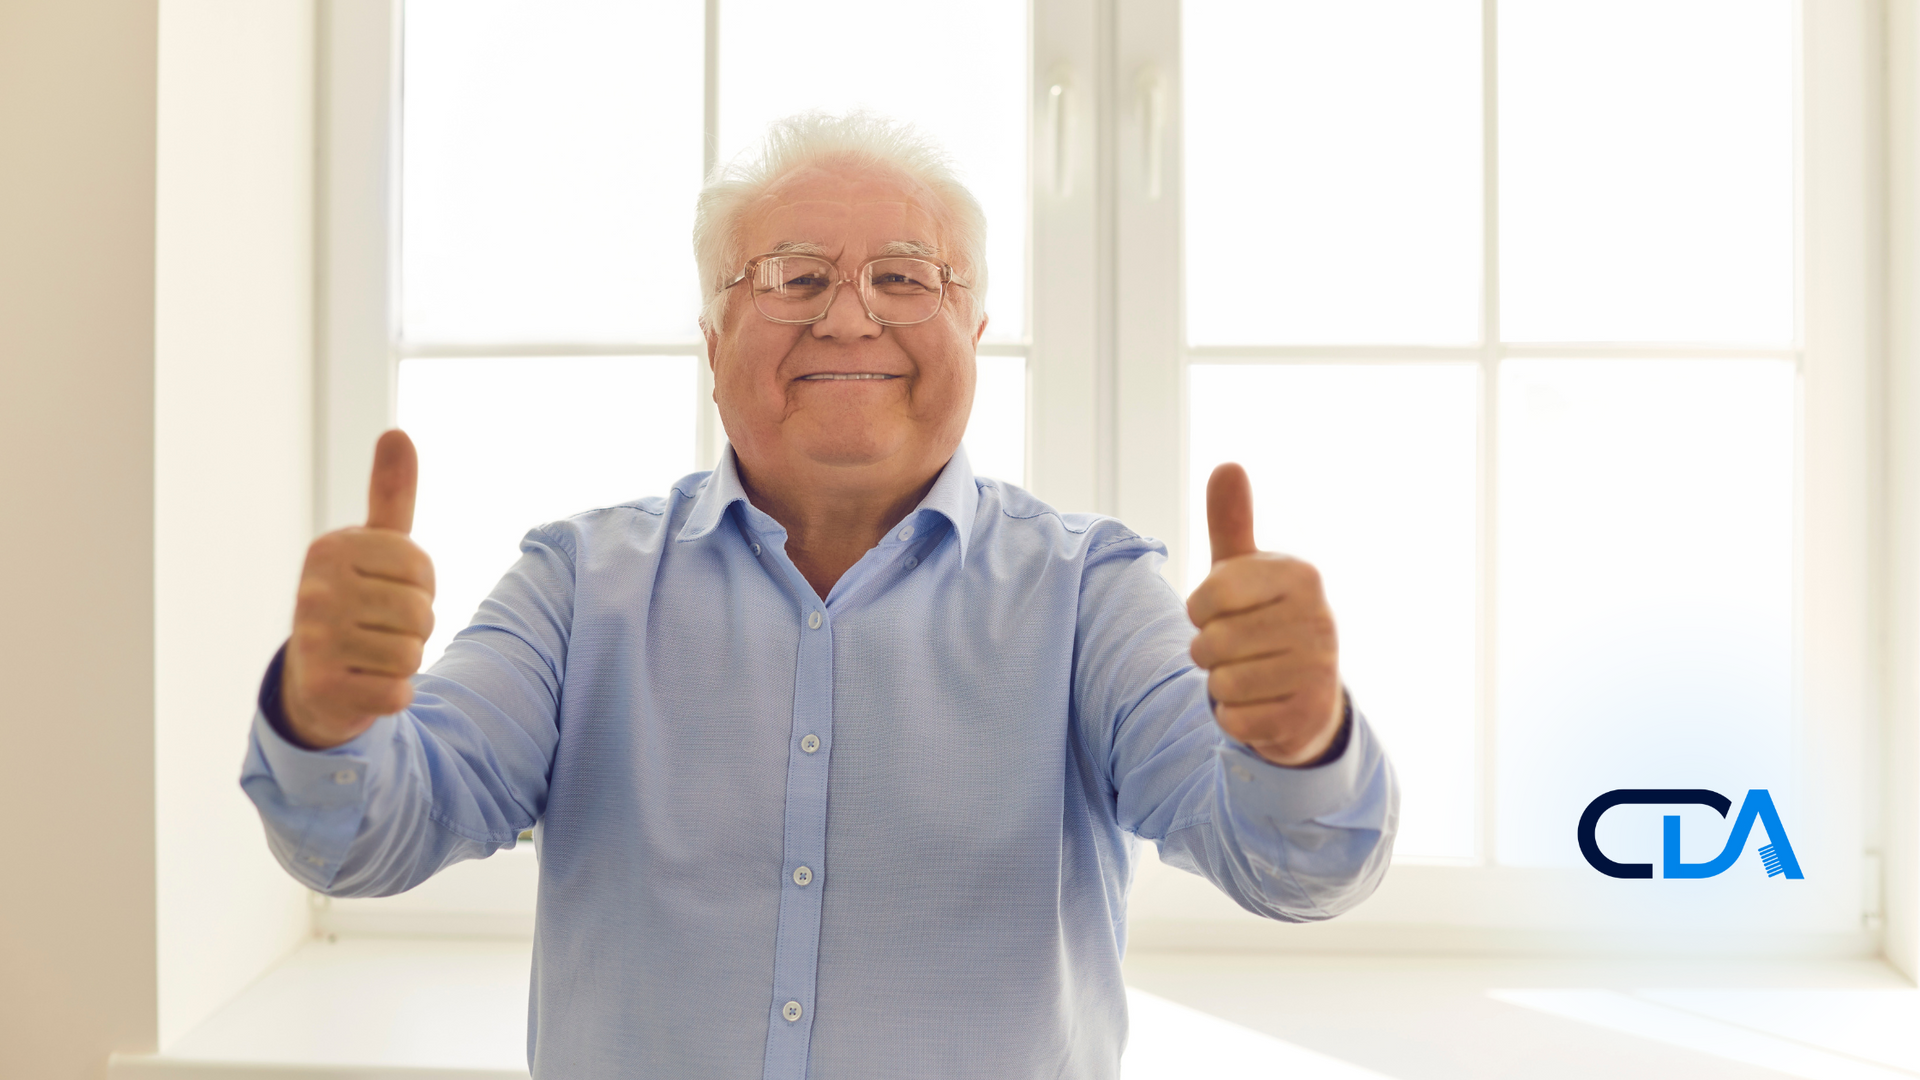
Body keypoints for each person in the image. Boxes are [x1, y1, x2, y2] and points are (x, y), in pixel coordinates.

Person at [242, 112, 1397, 1079]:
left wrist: (1300, 744)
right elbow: (368, 840)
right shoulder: (577, 584)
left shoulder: (1092, 591)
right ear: (714, 336)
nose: (850, 316)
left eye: (906, 276)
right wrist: (330, 716)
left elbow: (1295, 868)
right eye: (795, 277)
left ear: (974, 332)